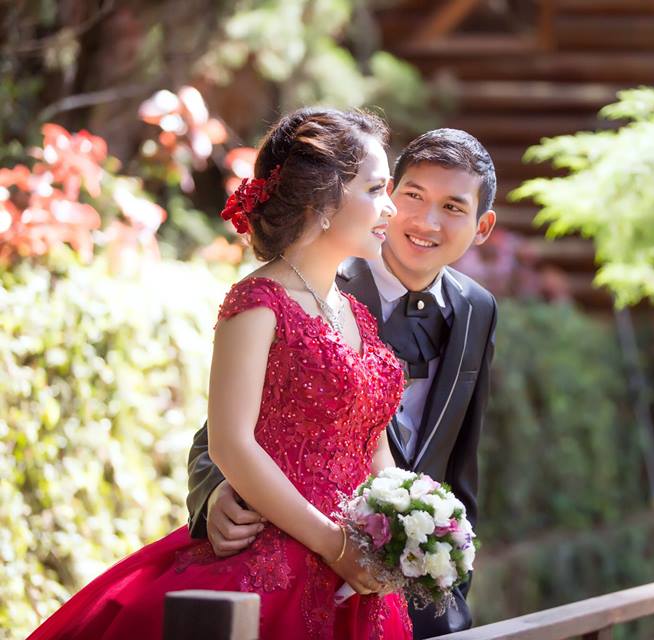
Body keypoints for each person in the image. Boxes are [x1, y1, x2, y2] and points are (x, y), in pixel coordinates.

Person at [28, 106, 414, 640]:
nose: (390, 207)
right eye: (374, 189)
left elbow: (372, 445)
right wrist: (334, 544)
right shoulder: (258, 303)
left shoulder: (355, 314)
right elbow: (231, 446)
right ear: (322, 200)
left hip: (357, 574)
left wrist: (404, 524)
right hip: (275, 558)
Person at [187, 128, 499, 638]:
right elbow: (226, 435)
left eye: (452, 207)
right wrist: (216, 493)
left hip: (400, 592)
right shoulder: (304, 282)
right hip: (284, 558)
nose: (423, 221)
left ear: (481, 226)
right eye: (410, 195)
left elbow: (460, 464)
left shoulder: (476, 309)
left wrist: (447, 577)